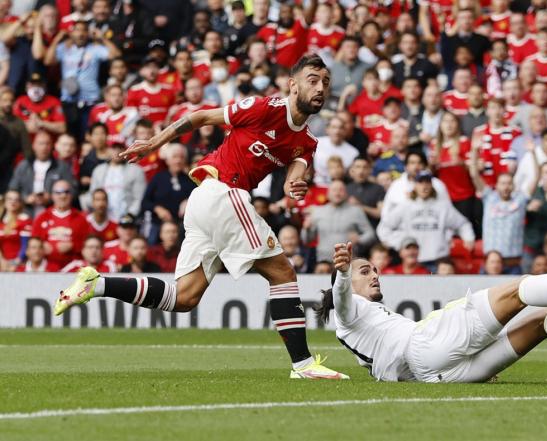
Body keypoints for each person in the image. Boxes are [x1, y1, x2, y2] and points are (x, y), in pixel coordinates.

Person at [55, 55, 347, 380]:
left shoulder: (307, 143)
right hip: (221, 192)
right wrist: (154, 143)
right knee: (282, 273)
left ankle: (96, 284)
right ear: (293, 84)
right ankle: (303, 366)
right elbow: (201, 117)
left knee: (184, 298)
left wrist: (296, 186)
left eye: (325, 82)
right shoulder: (265, 108)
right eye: (312, 80)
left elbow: (297, 172)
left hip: (208, 202)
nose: (320, 88)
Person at [317, 237, 547, 382]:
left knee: (540, 322)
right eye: (365, 271)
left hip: (439, 376)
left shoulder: (362, 332)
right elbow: (343, 302)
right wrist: (344, 274)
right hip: (427, 345)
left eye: (375, 269)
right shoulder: (349, 311)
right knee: (519, 290)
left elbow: (376, 362)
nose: (374, 274)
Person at [377, 170, 475, 272]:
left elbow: (463, 224)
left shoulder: (442, 206)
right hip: (414, 262)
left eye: (427, 182)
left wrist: (468, 238)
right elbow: (384, 227)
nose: (424, 186)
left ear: (432, 185)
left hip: (438, 260)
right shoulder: (405, 206)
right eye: (421, 182)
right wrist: (399, 243)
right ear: (415, 185)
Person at [301, 179, 376, 263]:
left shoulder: (356, 211)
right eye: (334, 190)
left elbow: (370, 234)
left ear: (346, 193)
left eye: (341, 190)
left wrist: (359, 239)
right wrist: (306, 229)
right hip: (323, 261)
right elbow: (306, 240)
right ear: (328, 194)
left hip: (348, 260)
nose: (337, 193)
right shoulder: (317, 211)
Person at [31, 179, 88, 270]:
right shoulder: (42, 218)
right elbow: (32, 244)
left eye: (66, 192)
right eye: (58, 192)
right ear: (52, 195)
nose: (63, 196)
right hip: (46, 269)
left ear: (71, 195)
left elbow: (89, 244)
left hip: (73, 268)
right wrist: (41, 246)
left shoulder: (81, 219)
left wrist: (73, 246)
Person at [0, 189, 32, 271]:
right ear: (4, 201)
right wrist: (2, 261)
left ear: (20, 203)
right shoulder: (1, 221)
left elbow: (26, 245)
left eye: (16, 199)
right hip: (2, 264)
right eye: (9, 199)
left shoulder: (24, 220)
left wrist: (15, 263)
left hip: (19, 264)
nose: (13, 202)